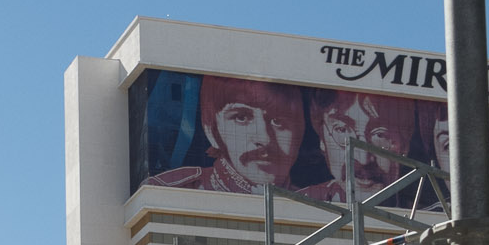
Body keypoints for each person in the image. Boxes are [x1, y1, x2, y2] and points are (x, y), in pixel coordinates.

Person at [147, 75, 305, 194]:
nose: (264, 138)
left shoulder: (318, 207)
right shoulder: (169, 189)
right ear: (211, 130)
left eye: (278, 121)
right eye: (242, 118)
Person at [301, 89, 414, 202]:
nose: (363, 159)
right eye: (342, 129)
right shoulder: (298, 205)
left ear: (405, 145)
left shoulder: (424, 217)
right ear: (322, 139)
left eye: (380, 135)